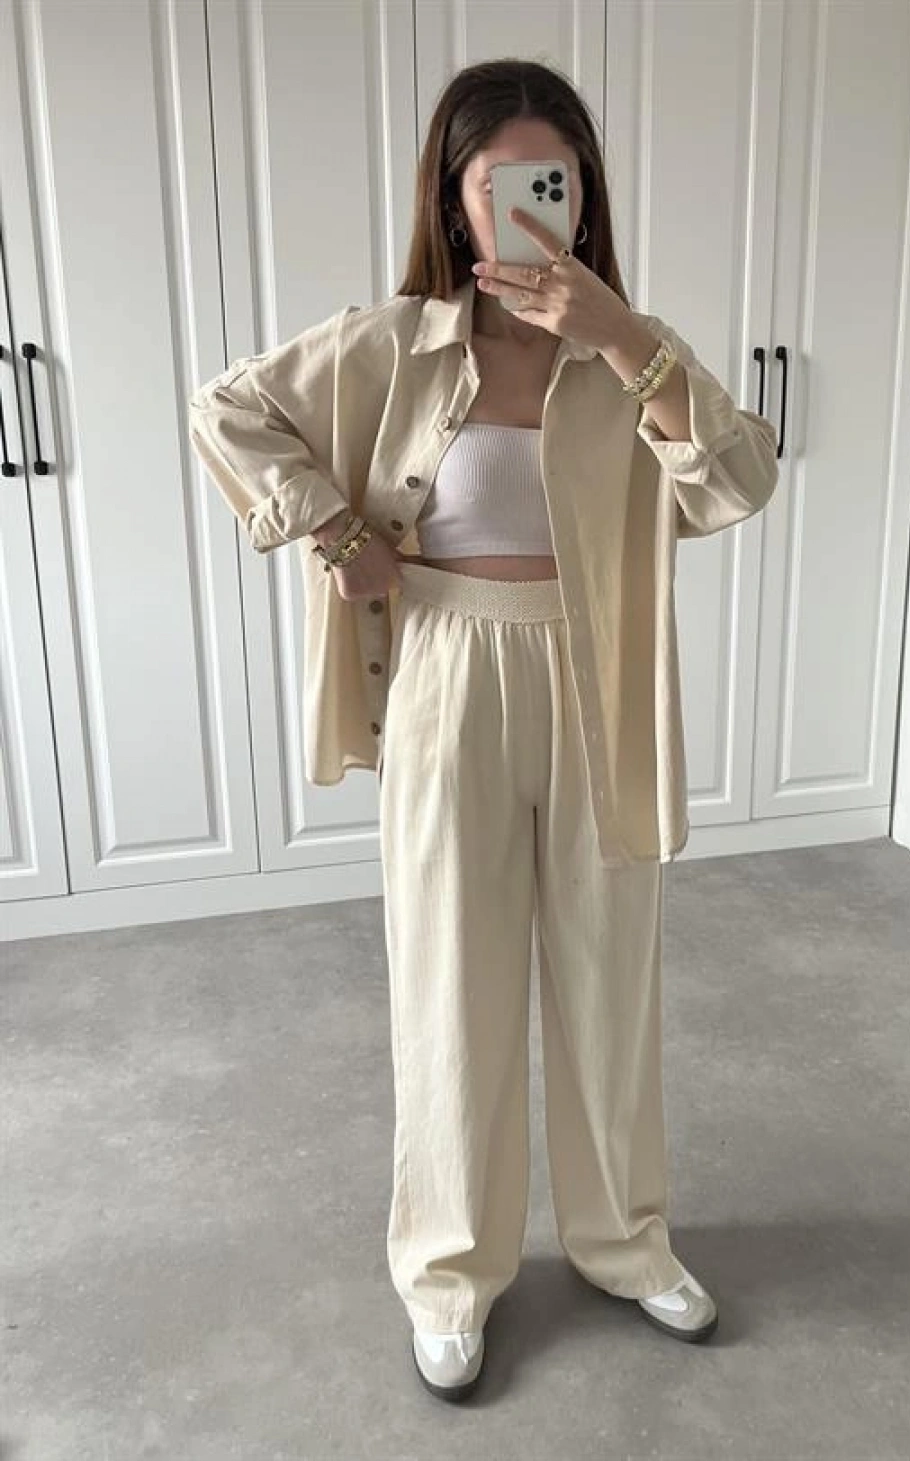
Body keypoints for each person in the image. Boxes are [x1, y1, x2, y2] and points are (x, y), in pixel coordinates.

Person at [189, 58, 778, 1404]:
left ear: (585, 195)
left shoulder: (631, 350)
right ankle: (450, 1273)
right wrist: (333, 532)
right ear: (455, 203)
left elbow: (737, 480)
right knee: (451, 982)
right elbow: (230, 409)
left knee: (610, 972)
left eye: (553, 180)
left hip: (596, 672)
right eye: (500, 182)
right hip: (450, 667)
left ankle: (625, 1243)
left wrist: (623, 338)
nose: (530, 206)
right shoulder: (396, 343)